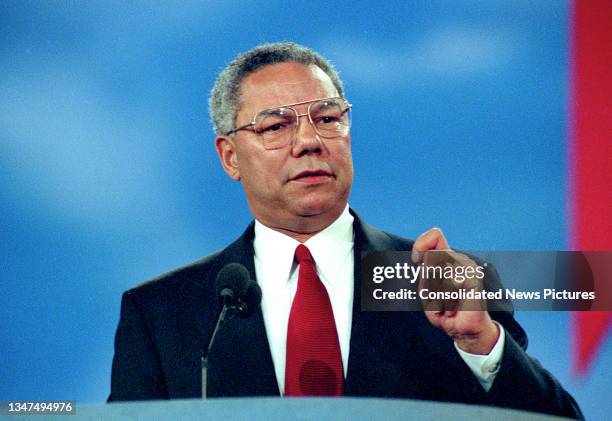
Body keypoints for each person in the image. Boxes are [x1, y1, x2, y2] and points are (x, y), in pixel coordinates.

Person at [108, 42, 582, 419]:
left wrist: (482, 344)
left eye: (328, 118)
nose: (310, 141)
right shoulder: (161, 314)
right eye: (276, 126)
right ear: (230, 156)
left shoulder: (445, 284)